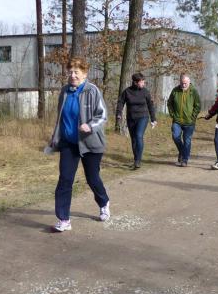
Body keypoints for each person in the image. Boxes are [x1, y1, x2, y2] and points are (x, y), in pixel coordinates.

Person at [45, 57, 110, 232]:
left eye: (76, 72)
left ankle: (103, 202)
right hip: (69, 143)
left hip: (90, 143)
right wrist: (55, 137)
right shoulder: (64, 91)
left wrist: (90, 126)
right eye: (70, 72)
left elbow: (103, 115)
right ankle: (63, 219)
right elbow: (61, 118)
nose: (72, 75)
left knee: (92, 178)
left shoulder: (92, 90)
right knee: (65, 179)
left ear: (84, 74)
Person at [116, 72, 157, 169]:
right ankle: (136, 160)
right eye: (141, 82)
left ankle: (138, 160)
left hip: (143, 117)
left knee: (138, 136)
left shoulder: (145, 92)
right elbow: (121, 102)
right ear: (135, 82)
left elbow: (150, 105)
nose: (143, 83)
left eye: (144, 81)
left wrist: (153, 119)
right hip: (131, 118)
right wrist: (119, 113)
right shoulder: (127, 92)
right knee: (134, 139)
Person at [166, 73, 201, 167]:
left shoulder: (193, 91)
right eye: (182, 83)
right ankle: (183, 152)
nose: (184, 85)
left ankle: (185, 160)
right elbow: (169, 103)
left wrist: (193, 117)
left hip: (189, 122)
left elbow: (198, 106)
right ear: (180, 81)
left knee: (187, 141)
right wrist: (172, 114)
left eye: (185, 83)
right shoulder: (175, 90)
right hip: (177, 120)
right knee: (175, 136)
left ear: (189, 82)